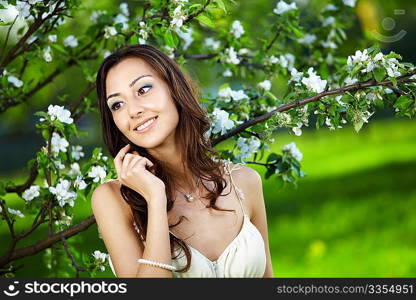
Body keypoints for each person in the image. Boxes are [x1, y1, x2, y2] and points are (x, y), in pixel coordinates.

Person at [92, 44, 274, 278]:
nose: (133, 111)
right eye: (117, 104)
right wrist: (155, 199)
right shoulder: (113, 198)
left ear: (173, 88)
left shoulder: (245, 181)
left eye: (143, 89)